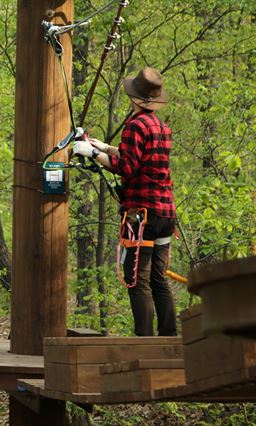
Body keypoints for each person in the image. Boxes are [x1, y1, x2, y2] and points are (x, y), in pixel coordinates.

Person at [73, 67, 177, 336]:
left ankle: (145, 341)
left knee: (137, 280)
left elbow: (127, 167)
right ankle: (169, 338)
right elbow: (140, 158)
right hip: (166, 215)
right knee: (158, 280)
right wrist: (105, 148)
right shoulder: (161, 127)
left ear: (134, 97)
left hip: (143, 216)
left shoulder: (134, 125)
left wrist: (93, 154)